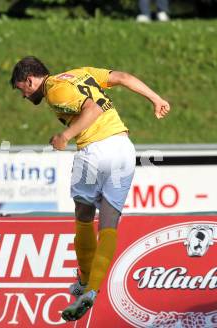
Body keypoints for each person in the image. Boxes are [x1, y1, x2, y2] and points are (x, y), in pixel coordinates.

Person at [10, 56, 170, 321]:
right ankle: (93, 290)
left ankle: (85, 280)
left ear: (30, 80)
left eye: (22, 90)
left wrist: (65, 136)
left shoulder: (54, 89)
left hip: (95, 150)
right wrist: (156, 98)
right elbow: (123, 77)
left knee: (83, 215)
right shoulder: (80, 73)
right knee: (110, 221)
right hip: (123, 149)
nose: (24, 96)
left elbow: (93, 108)